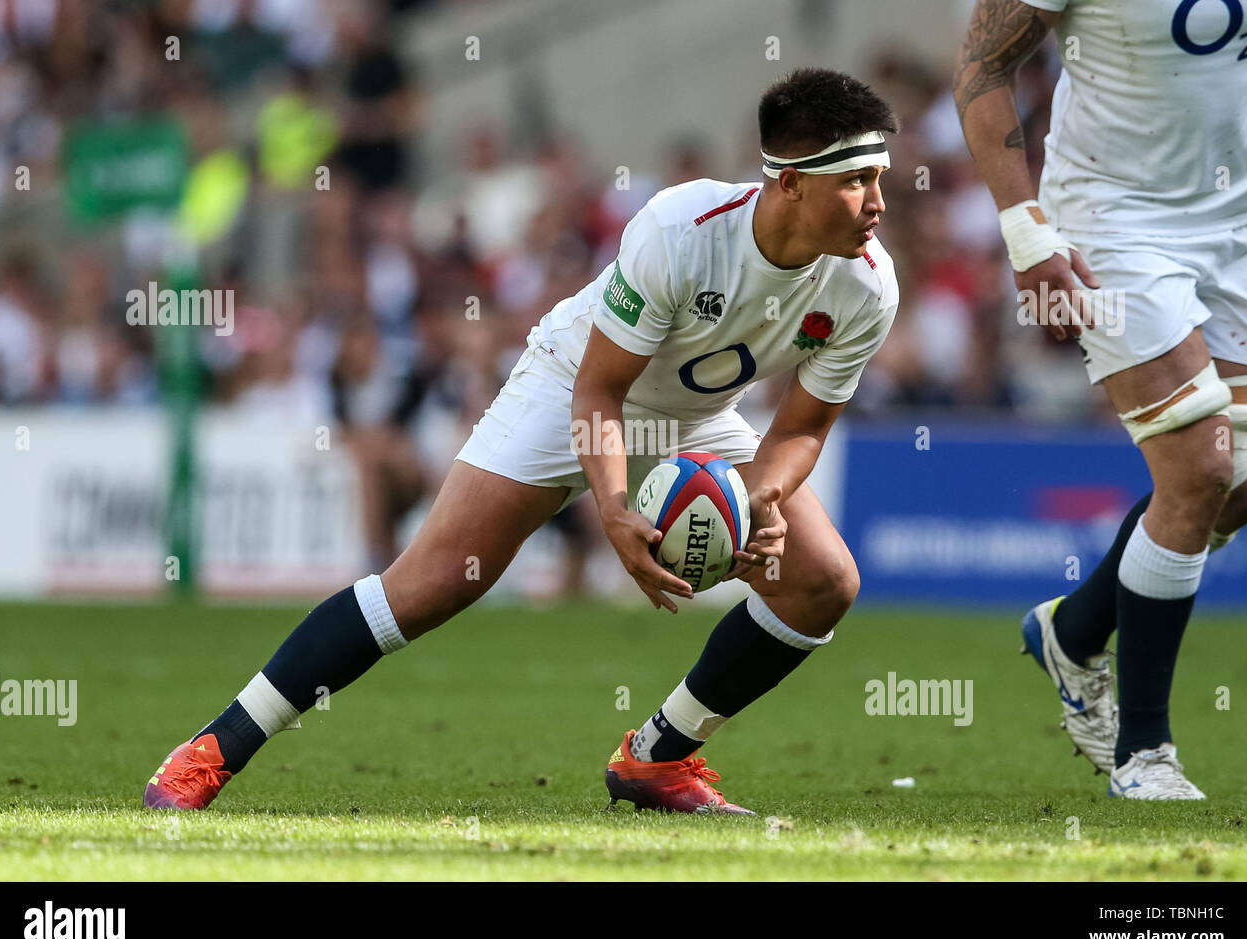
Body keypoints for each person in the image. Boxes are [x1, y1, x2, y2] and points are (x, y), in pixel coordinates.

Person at [143, 67, 899, 815]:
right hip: (573, 383)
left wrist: (761, 497)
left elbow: (799, 429)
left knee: (824, 581)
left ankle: (658, 757)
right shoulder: (682, 230)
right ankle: (212, 749)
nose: (878, 202)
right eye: (858, 180)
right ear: (792, 182)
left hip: (693, 420)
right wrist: (611, 506)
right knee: (434, 581)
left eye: (880, 178)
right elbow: (600, 390)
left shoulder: (868, 285)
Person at [954, 0, 1247, 798]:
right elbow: (981, 67)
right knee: (1199, 467)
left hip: (1234, 221)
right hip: (1111, 219)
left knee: (1239, 489)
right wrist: (1027, 233)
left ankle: (1073, 630)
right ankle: (1145, 750)